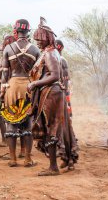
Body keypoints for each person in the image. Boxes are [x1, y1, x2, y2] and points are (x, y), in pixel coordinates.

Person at [0, 19, 40, 167]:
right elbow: (38, 73)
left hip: (12, 86)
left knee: (11, 122)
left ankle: (13, 159)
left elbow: (4, 74)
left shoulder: (8, 48)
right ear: (28, 31)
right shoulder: (35, 50)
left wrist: (2, 92)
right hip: (28, 87)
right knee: (27, 123)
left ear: (16, 31)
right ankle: (28, 159)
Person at [27, 17, 64, 176]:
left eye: (40, 39)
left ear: (48, 38)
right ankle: (53, 165)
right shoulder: (52, 52)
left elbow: (55, 75)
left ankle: (53, 167)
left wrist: (35, 84)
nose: (38, 42)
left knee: (50, 128)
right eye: (36, 39)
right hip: (50, 93)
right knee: (50, 127)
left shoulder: (49, 54)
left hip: (50, 94)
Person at [55, 39, 79, 170]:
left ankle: (69, 158)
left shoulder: (60, 60)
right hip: (62, 97)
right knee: (63, 127)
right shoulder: (59, 59)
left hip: (61, 98)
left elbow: (64, 82)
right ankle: (67, 158)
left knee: (64, 128)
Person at [0, 36, 16, 148]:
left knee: (1, 116)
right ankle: (11, 139)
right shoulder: (16, 57)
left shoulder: (4, 60)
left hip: (4, 90)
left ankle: (5, 140)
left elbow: (3, 77)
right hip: (13, 89)